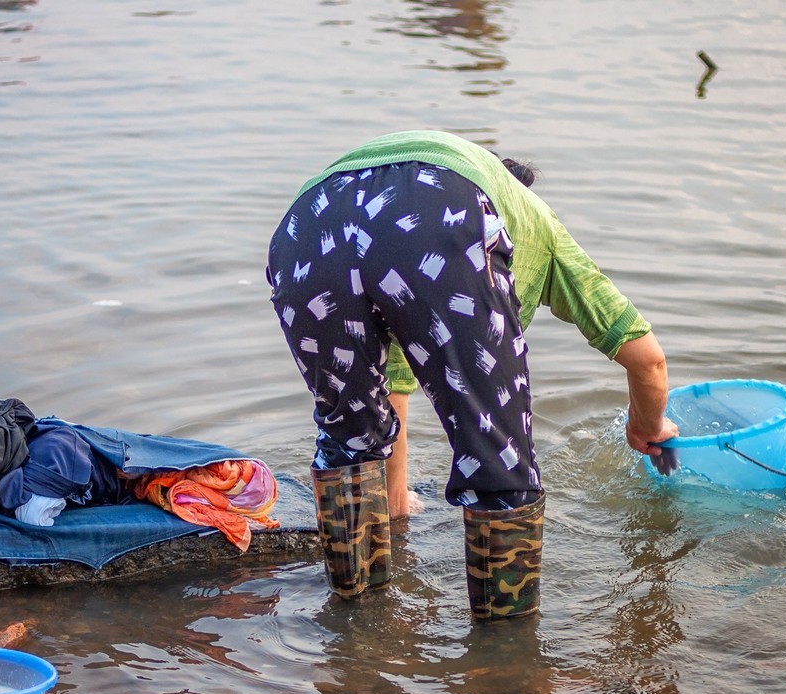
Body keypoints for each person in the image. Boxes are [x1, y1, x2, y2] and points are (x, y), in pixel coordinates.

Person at [266, 130, 678, 619]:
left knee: (347, 440)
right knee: (496, 451)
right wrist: (648, 427)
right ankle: (507, 661)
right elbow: (646, 358)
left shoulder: (444, 186)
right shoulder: (535, 222)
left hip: (306, 226)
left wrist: (395, 509)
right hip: (435, 206)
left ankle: (357, 631)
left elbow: (391, 388)